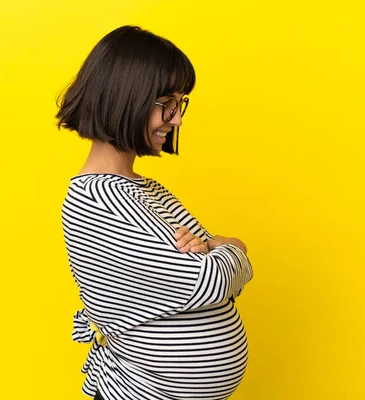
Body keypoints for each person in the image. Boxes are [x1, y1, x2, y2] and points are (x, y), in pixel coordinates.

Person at [56, 25, 253, 400]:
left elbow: (220, 273)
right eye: (167, 102)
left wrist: (218, 251)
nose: (177, 119)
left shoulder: (148, 191)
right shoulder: (97, 199)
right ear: (123, 97)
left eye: (181, 103)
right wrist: (234, 247)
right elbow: (211, 281)